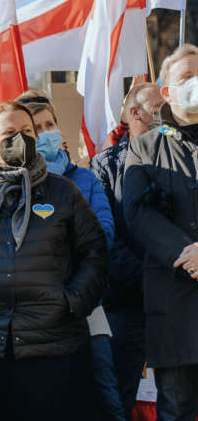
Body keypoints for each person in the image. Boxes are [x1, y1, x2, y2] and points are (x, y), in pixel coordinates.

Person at [0, 101, 108, 420]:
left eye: (27, 131)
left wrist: (71, 303)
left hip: (51, 346)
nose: (20, 139)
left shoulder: (62, 192)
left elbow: (94, 253)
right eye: (9, 132)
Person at [22, 95, 121, 419]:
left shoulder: (85, 179)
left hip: (87, 301)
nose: (46, 132)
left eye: (50, 124)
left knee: (105, 392)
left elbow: (103, 234)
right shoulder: (19, 186)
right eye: (36, 128)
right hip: (38, 309)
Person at [122, 44, 198, 420]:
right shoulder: (143, 149)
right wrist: (189, 253)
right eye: (186, 78)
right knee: (177, 409)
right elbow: (137, 213)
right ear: (166, 91)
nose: (196, 83)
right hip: (174, 302)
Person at [92, 81, 165, 418]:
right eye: (157, 111)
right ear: (134, 113)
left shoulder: (182, 159)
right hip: (127, 304)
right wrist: (152, 277)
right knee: (120, 398)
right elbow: (106, 237)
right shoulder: (104, 166)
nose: (166, 118)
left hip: (176, 305)